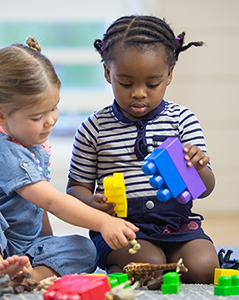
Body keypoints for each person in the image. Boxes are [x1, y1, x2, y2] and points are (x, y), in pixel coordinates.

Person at [0, 37, 139, 282]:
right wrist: (104, 222)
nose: (51, 120)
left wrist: (47, 248)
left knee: (86, 249)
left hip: (18, 251)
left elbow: (38, 208)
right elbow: (53, 202)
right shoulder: (5, 154)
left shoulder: (34, 147)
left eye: (54, 108)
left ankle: (29, 276)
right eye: (38, 116)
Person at [67, 15, 219, 284]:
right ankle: (124, 265)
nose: (139, 93)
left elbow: (204, 189)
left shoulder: (182, 120)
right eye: (126, 83)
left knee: (205, 267)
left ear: (169, 75)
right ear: (107, 72)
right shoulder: (94, 128)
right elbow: (76, 188)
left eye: (152, 84)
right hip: (122, 228)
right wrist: (92, 204)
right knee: (151, 266)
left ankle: (161, 264)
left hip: (178, 224)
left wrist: (199, 168)